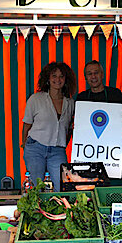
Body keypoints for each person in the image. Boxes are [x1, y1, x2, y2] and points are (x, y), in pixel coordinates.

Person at [21, 61, 76, 191]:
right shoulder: (36, 99)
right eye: (54, 76)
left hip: (57, 151)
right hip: (35, 148)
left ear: (66, 80)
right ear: (48, 79)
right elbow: (27, 125)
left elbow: (68, 128)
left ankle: (59, 212)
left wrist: (62, 144)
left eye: (61, 76)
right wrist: (24, 144)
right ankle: (36, 212)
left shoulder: (70, 103)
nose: (58, 79)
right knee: (36, 188)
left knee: (62, 187)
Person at [76, 60, 122, 183]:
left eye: (96, 73)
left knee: (114, 191)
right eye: (89, 74)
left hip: (112, 154)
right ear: (85, 77)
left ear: (102, 75)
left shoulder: (115, 94)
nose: (93, 77)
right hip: (88, 153)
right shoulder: (81, 98)